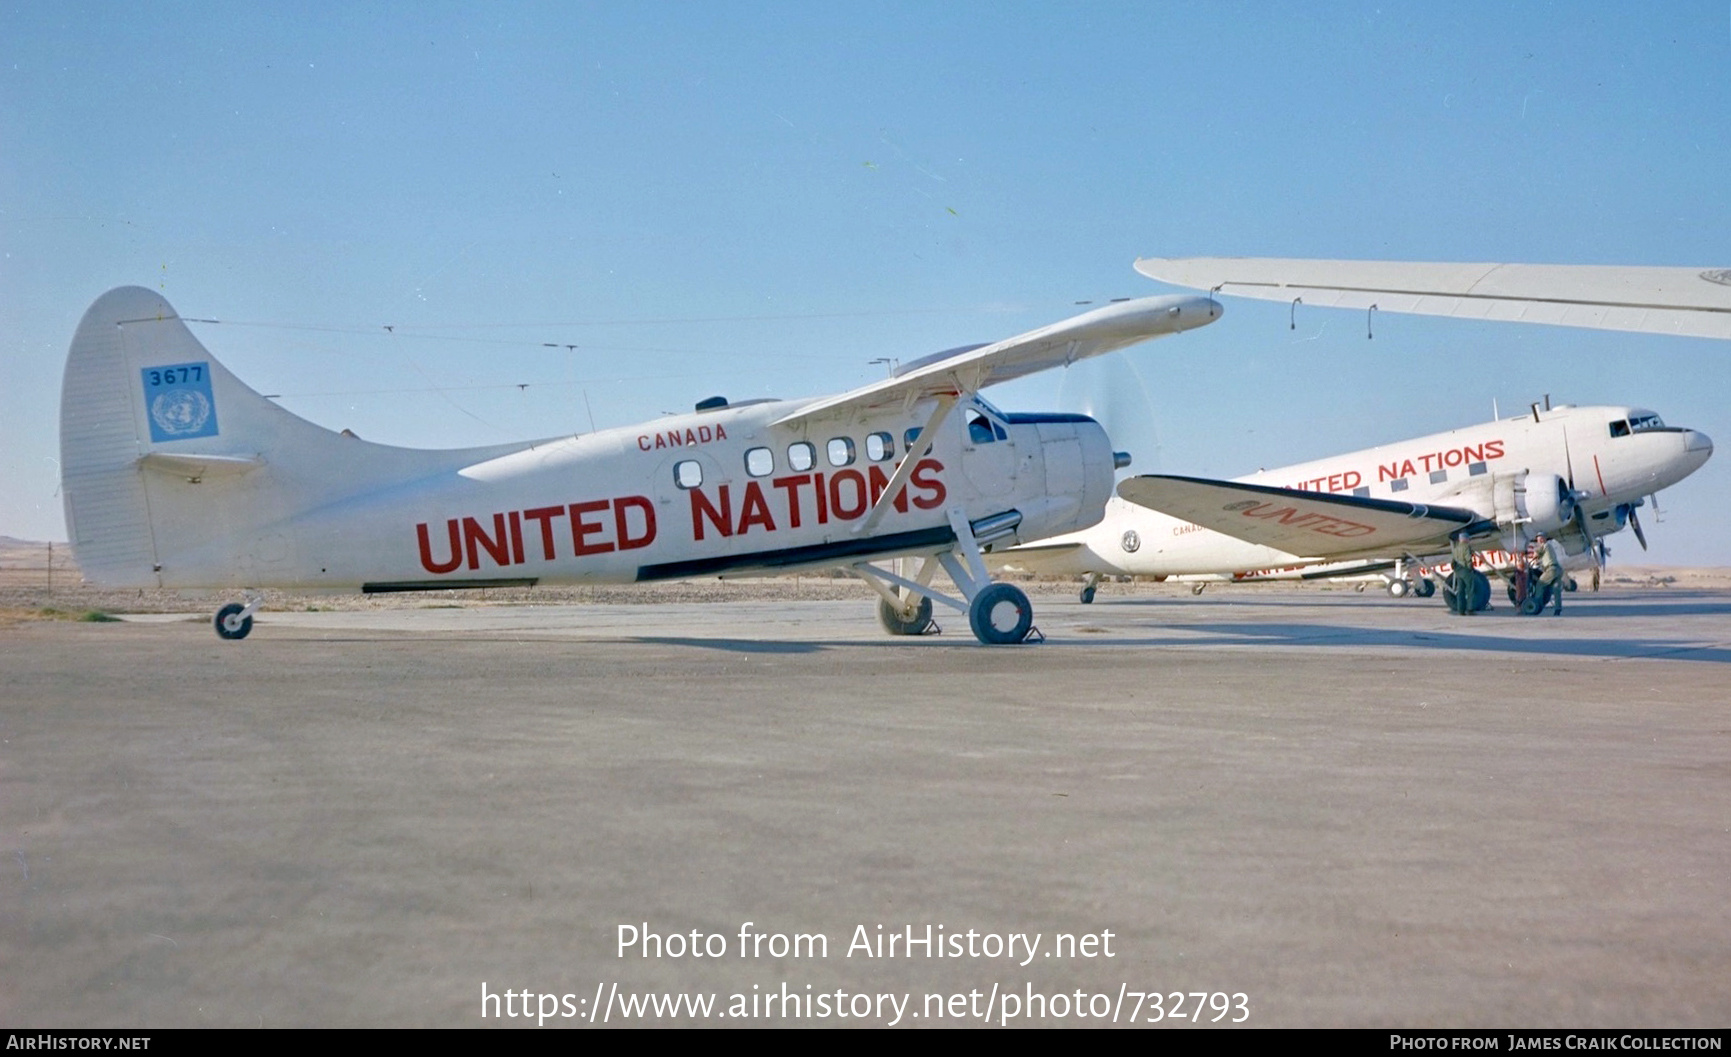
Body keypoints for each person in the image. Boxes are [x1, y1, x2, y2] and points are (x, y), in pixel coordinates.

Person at [1534, 532, 1566, 615]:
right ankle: (1558, 609)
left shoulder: (1545, 545)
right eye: (1538, 539)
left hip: (1551, 569)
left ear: (1544, 539)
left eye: (1540, 538)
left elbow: (1536, 553)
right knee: (1556, 590)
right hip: (1558, 569)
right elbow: (1546, 558)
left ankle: (1537, 605)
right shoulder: (1549, 547)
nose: (1539, 540)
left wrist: (1533, 555)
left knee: (1540, 584)